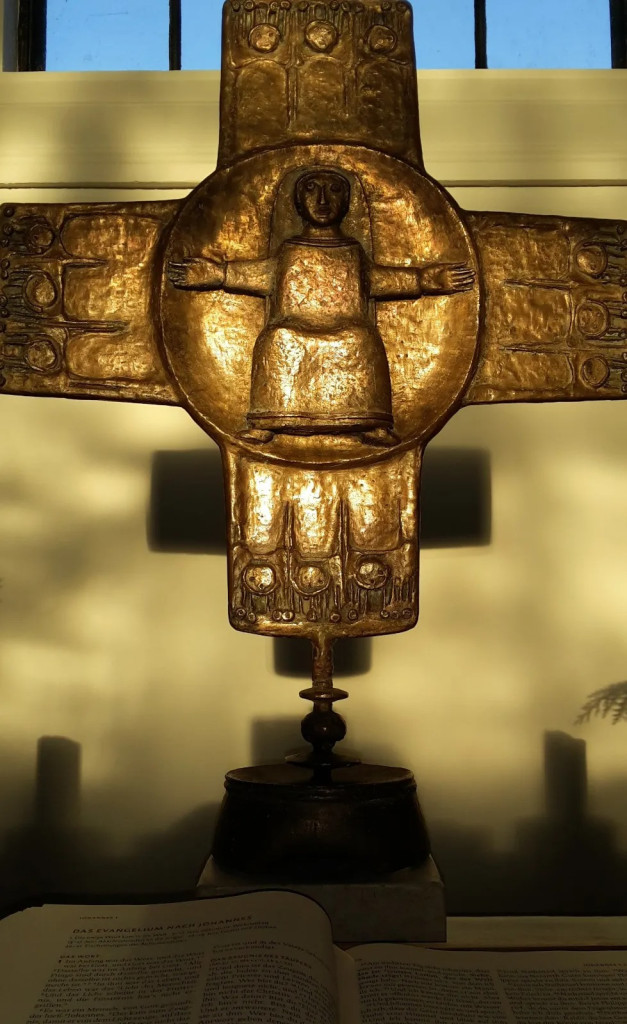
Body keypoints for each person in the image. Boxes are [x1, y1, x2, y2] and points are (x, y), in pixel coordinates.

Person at [168, 168, 474, 445]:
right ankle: (267, 421)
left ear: (348, 202)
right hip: (291, 329)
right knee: (278, 338)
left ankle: (370, 422)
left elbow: (382, 279)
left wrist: (426, 279)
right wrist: (217, 274)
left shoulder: (353, 251)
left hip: (349, 331)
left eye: (335, 190)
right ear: (298, 203)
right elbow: (256, 274)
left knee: (360, 339)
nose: (323, 200)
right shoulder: (289, 250)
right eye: (311, 190)